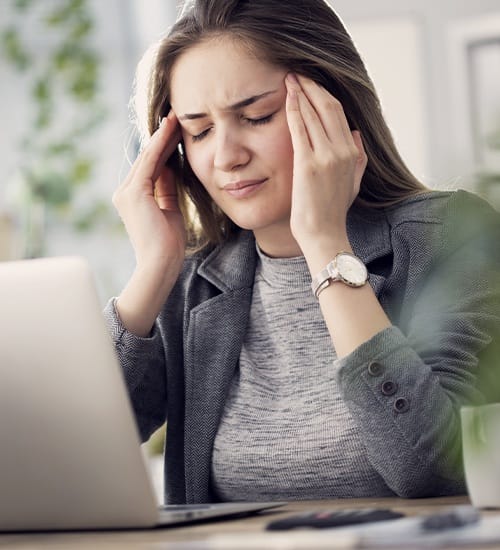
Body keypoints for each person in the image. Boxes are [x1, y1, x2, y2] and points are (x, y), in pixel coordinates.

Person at [105, 0, 500, 504]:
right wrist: (154, 270)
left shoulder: (450, 236)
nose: (226, 155)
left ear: (333, 109)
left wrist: (325, 243)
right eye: (199, 131)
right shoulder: (194, 282)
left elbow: (434, 468)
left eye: (256, 116)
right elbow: (67, 454)